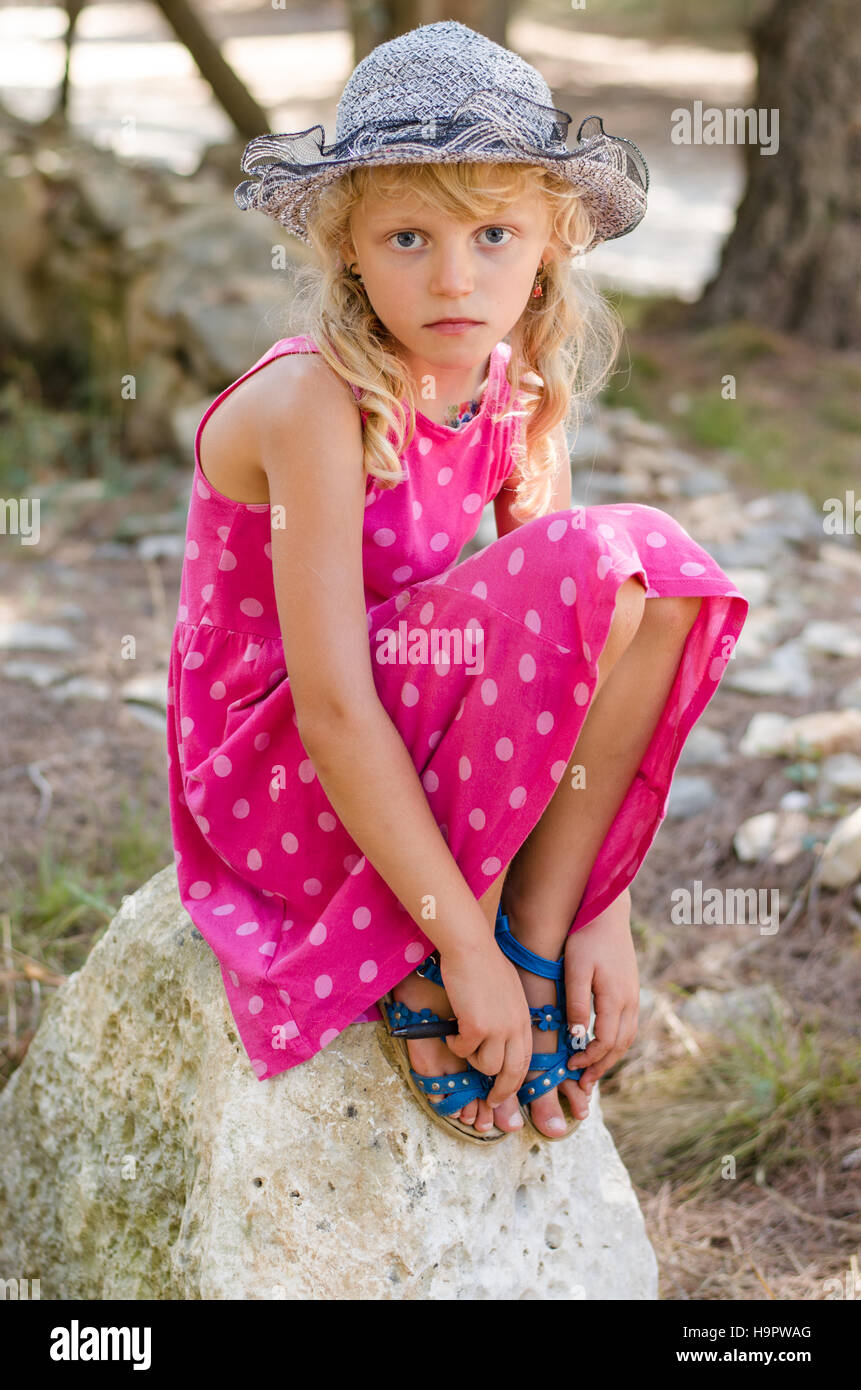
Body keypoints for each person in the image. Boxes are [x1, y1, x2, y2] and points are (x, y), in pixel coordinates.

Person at [165, 20, 749, 1143]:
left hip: (401, 716)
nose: (452, 277)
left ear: (550, 243)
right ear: (346, 249)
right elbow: (332, 703)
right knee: (598, 558)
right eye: (407, 238)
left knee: (656, 580)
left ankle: (535, 921)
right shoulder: (314, 403)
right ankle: (452, 935)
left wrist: (600, 903)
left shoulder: (511, 380)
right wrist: (456, 944)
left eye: (492, 232)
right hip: (285, 763)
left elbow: (599, 637)